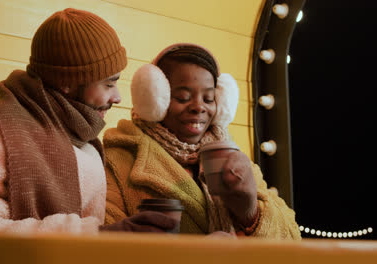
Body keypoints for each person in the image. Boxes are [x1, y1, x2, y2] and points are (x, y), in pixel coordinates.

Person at [0, 8, 177, 234]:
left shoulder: (82, 141)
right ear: (68, 82)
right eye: (108, 83)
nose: (118, 97)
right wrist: (95, 237)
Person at [103, 43, 301, 239]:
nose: (199, 107)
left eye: (208, 98)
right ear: (154, 98)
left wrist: (251, 213)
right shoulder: (118, 160)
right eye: (182, 97)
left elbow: (292, 238)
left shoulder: (233, 158)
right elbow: (102, 245)